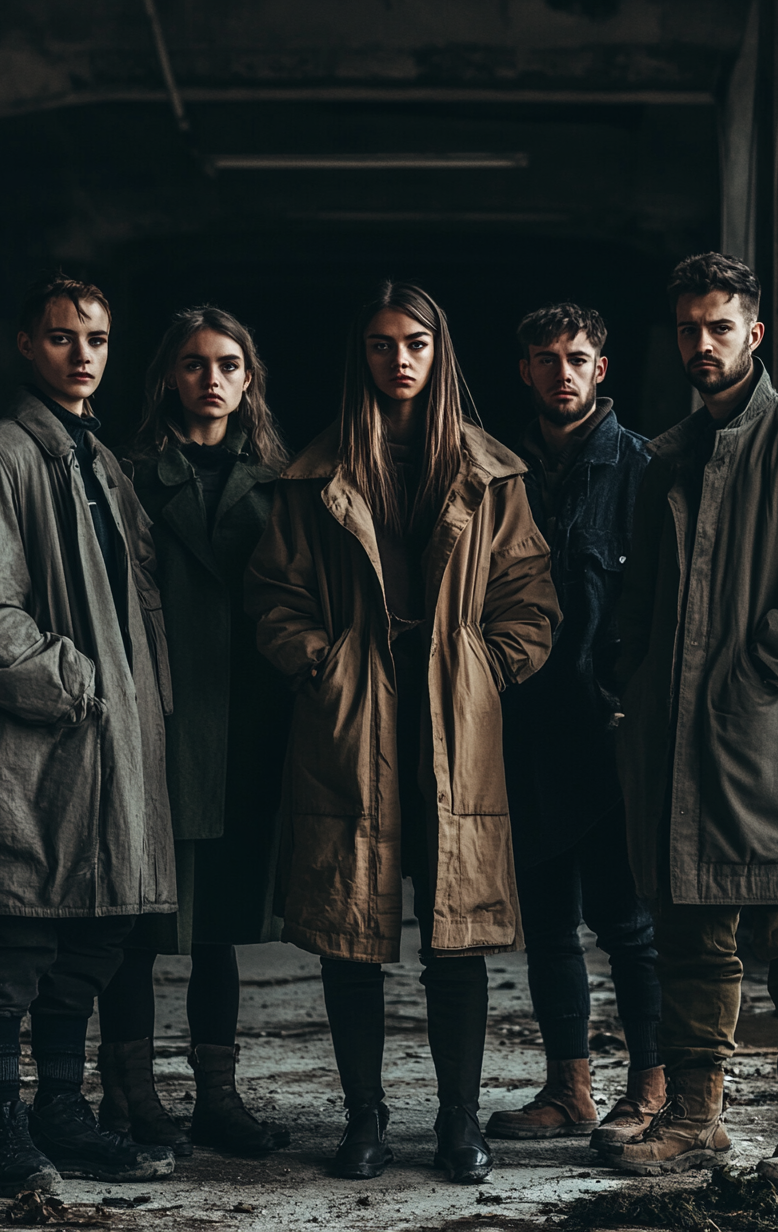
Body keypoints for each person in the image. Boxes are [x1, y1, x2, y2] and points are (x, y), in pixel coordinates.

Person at [243, 281, 559, 1184]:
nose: (399, 359)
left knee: (454, 936)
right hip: (354, 720)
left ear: (439, 350)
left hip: (452, 721)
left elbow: (530, 599)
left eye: (414, 342)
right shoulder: (317, 474)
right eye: (382, 345)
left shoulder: (492, 474)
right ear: (363, 357)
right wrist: (319, 662)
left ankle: (458, 1126)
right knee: (353, 933)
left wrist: (489, 667)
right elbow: (273, 595)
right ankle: (366, 1122)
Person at [611, 252, 778, 1194]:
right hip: (670, 734)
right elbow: (641, 597)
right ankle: (696, 1114)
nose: (702, 344)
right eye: (688, 328)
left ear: (754, 333)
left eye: (720, 327)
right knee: (689, 928)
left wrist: (756, 673)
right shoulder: (667, 454)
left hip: (761, 735)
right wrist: (629, 682)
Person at [0, 274, 177, 1195]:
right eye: (64, 337)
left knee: (93, 934)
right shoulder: (0, 457)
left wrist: (137, 702)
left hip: (111, 745)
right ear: (26, 347)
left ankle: (61, 1112)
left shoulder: (97, 460)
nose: (84, 354)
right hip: (38, 745)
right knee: (13, 932)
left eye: (99, 340)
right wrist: (78, 683)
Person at [95, 306, 291, 1158]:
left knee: (218, 924)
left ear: (248, 380)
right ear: (168, 376)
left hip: (243, 723)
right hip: (158, 721)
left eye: (227, 363)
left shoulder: (282, 482)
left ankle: (219, 1095)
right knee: (140, 921)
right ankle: (129, 1096)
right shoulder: (127, 474)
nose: (210, 378)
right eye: (193, 363)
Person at [485, 303, 663, 1152]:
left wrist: (634, 698)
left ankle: (652, 1087)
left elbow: (661, 602)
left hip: (610, 730)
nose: (562, 371)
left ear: (603, 370)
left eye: (579, 357)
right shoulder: (497, 469)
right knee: (548, 921)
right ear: (525, 369)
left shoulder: (643, 468)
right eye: (547, 357)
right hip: (524, 728)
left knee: (626, 920)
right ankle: (569, 1089)